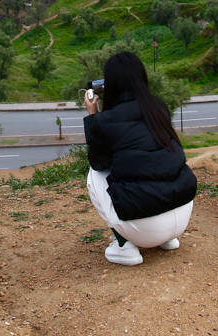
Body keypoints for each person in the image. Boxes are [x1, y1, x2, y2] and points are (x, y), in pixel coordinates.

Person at [83, 51, 197, 266]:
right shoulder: (158, 106)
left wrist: (93, 115)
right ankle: (167, 239)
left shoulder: (105, 120)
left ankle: (124, 248)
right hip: (181, 213)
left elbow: (99, 163)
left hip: (145, 228)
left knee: (95, 174)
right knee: (159, 157)